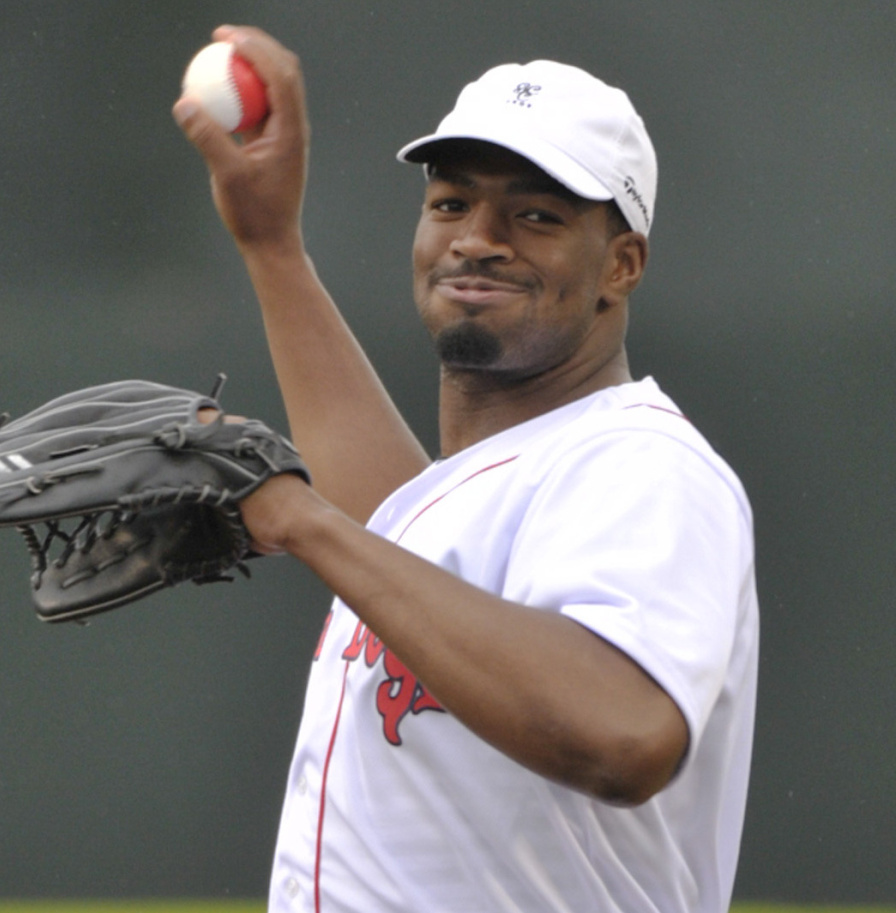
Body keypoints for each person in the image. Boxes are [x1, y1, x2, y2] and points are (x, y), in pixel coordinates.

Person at [173, 25, 759, 913]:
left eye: (535, 214)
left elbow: (625, 733)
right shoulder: (487, 492)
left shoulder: (644, 463)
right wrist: (272, 247)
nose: (477, 239)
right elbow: (401, 537)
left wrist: (299, 518)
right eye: (451, 204)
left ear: (622, 264)